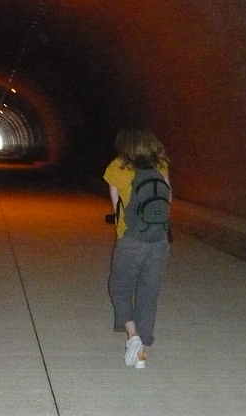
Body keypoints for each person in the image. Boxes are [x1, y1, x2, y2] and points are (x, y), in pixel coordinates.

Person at [104, 127, 171, 369]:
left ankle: (132, 336)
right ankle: (142, 349)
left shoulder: (117, 166)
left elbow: (116, 206)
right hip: (159, 239)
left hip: (131, 239)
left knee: (120, 287)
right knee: (148, 291)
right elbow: (168, 197)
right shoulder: (160, 164)